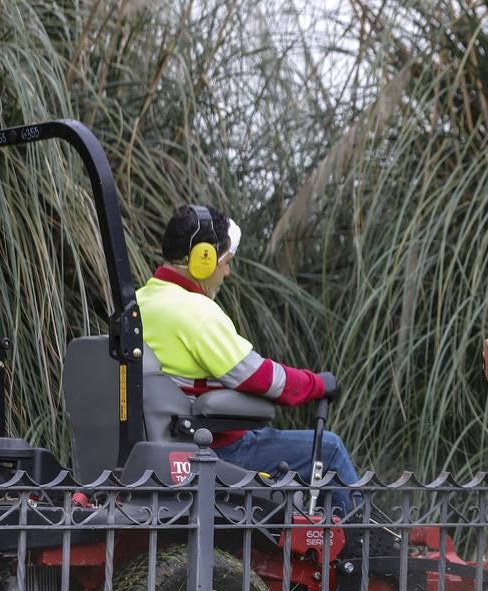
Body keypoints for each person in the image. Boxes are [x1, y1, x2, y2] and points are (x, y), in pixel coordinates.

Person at [136, 204, 358, 511]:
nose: (227, 271)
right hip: (213, 449)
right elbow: (260, 378)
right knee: (330, 448)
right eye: (226, 261)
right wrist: (317, 384)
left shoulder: (141, 301)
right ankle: (363, 548)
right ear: (204, 258)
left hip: (164, 448)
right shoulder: (193, 312)